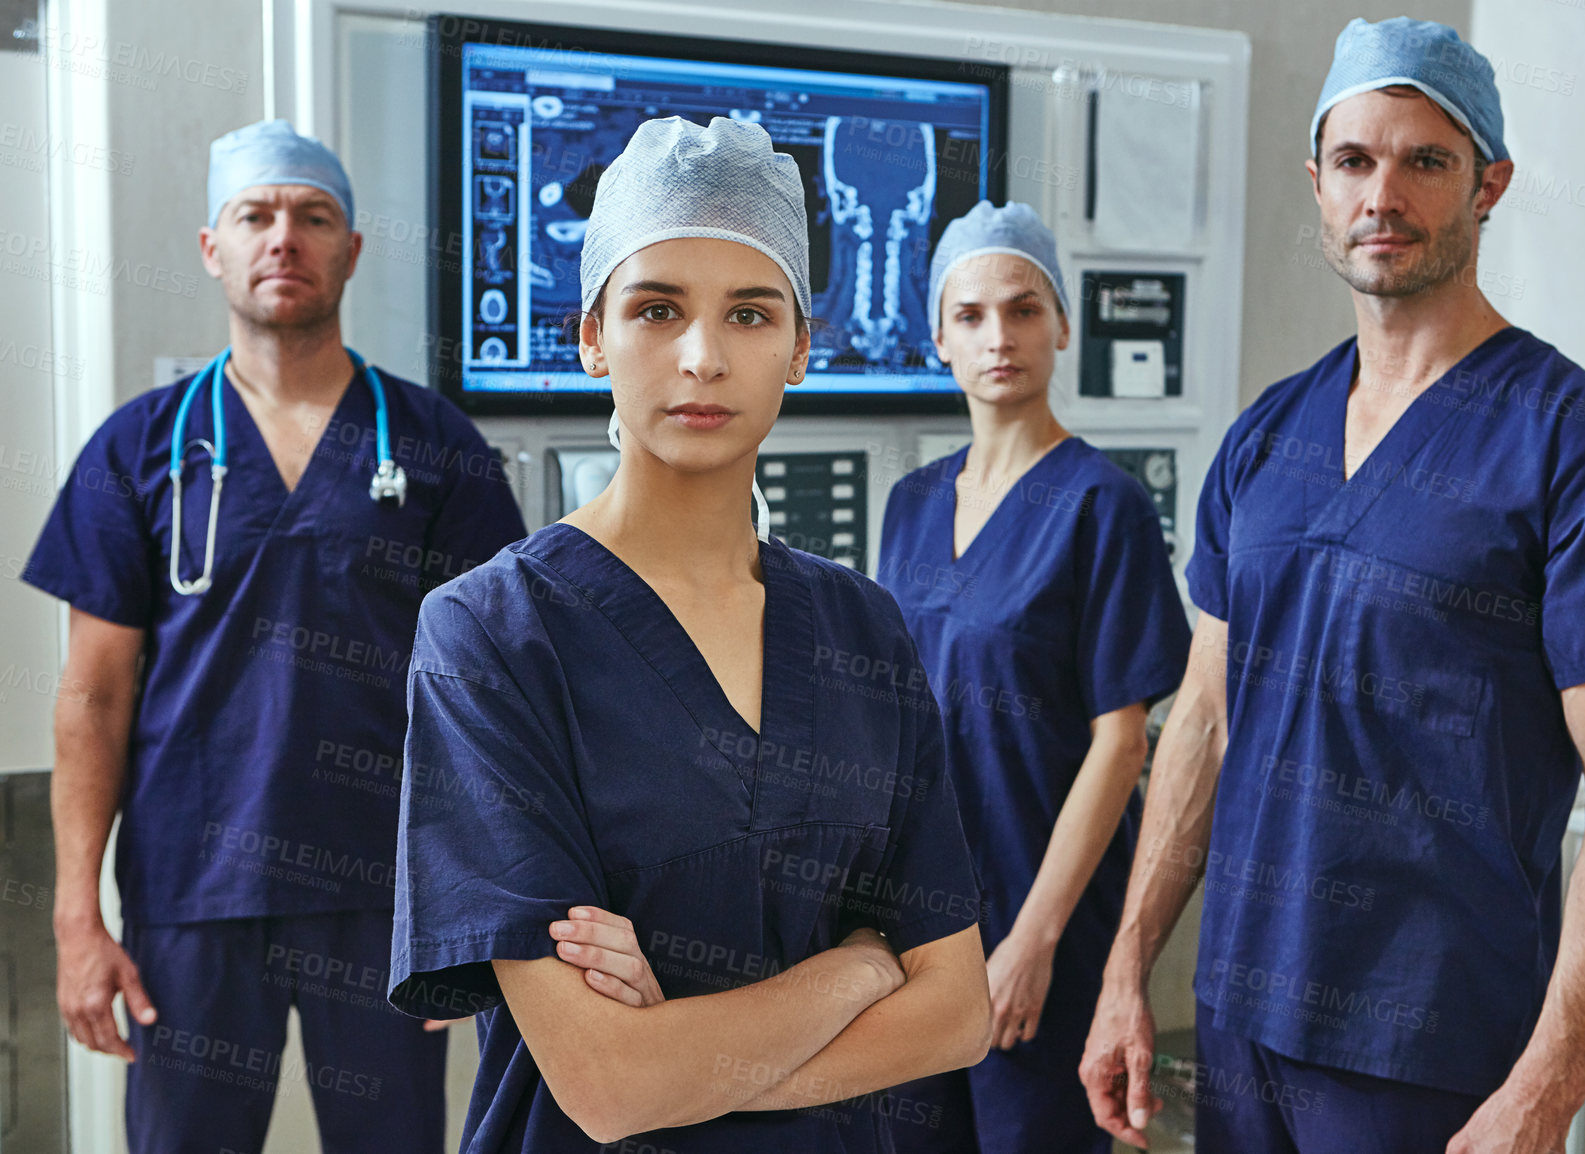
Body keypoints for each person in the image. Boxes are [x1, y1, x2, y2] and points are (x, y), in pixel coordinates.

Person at [1079, 18, 1585, 1154]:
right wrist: (1127, 966)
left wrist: (1550, 1077)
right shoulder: (1265, 438)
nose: (1385, 193)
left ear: (1490, 184)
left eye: (1426, 159)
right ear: (1318, 184)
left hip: (1433, 1038)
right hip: (1235, 1011)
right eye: (1355, 160)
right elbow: (1202, 726)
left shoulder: (1577, 449)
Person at [388, 115, 991, 1153]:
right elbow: (611, 1086)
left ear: (801, 346)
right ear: (591, 336)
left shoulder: (862, 627)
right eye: (656, 308)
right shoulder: (491, 635)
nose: (703, 356)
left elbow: (960, 1009)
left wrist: (682, 1059)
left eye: (750, 314)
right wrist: (852, 969)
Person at [24, 119, 527, 1153]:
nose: (282, 238)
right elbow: (93, 695)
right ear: (215, 246)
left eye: (313, 215)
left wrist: (481, 903)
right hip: (191, 891)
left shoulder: (434, 446)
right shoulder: (140, 448)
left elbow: (489, 693)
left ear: (349, 249)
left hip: (385, 899)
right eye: (255, 215)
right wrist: (79, 917)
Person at [872, 201, 1192, 1153]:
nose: (998, 337)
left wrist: (1033, 942)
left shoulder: (1105, 506)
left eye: (1022, 309)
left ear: (1062, 327)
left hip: (1041, 915)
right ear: (937, 339)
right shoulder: (912, 505)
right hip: (918, 919)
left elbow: (1121, 738)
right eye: (969, 316)